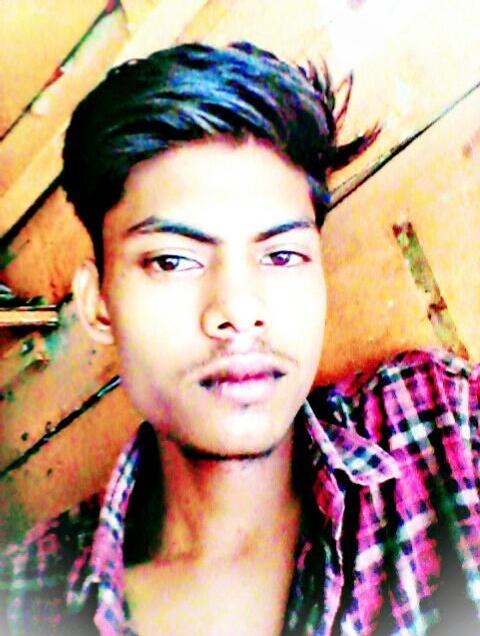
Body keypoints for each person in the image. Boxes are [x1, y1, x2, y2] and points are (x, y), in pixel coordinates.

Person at [1, 41, 479, 636]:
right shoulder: (26, 595)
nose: (238, 311)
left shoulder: (446, 430)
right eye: (173, 261)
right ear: (99, 302)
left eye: (281, 255)